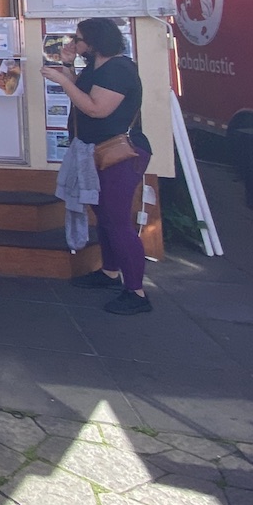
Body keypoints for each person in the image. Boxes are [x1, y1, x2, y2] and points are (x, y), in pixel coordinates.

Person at [42, 17, 153, 315]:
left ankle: (137, 292)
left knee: (117, 220)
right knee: (103, 214)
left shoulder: (118, 69)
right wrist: (68, 67)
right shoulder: (98, 66)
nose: (73, 44)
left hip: (119, 152)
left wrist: (63, 80)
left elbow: (95, 108)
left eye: (78, 40)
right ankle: (110, 271)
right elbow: (84, 92)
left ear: (94, 42)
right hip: (96, 151)